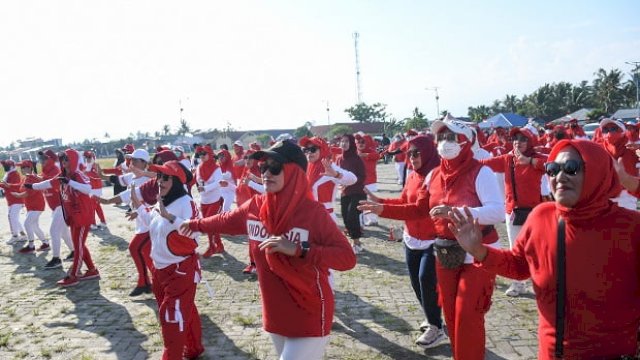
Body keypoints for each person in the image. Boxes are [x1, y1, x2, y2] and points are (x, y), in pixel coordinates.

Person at [448, 139, 640, 359]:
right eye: (552, 169)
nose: (559, 177)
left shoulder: (632, 228)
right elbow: (519, 266)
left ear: (598, 171)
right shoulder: (541, 217)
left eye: (571, 168)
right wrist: (478, 250)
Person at [180, 140, 357, 360]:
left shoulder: (312, 213)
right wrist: (194, 224)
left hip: (309, 311)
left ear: (293, 172)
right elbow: (225, 220)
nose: (265, 173)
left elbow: (347, 258)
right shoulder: (256, 206)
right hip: (275, 313)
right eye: (263, 167)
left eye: (275, 167)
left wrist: (299, 249)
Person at [357, 135, 447, 349]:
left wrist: (383, 210)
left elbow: (419, 209)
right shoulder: (413, 175)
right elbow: (404, 201)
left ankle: (436, 327)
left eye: (416, 153)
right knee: (417, 283)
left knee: (427, 280)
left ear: (427, 152)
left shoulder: (435, 175)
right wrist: (378, 201)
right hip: (411, 238)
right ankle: (432, 318)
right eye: (409, 153)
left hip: (431, 238)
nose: (412, 157)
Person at [428, 119, 504, 360]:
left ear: (466, 141)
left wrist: (456, 212)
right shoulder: (434, 175)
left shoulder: (482, 171)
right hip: (447, 253)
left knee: (467, 314)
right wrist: (382, 208)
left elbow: (497, 211)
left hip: (478, 252)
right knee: (451, 314)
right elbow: (418, 207)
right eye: (441, 138)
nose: (444, 143)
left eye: (451, 137)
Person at [131, 160, 204, 359]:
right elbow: (151, 224)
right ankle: (194, 348)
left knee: (171, 319)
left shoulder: (186, 203)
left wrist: (171, 217)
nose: (159, 181)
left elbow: (194, 232)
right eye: (159, 177)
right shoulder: (161, 201)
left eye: (165, 177)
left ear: (177, 181)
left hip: (180, 270)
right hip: (160, 270)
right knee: (184, 311)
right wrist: (138, 207)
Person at [479, 127, 548, 297]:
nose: (518, 142)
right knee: (515, 249)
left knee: (538, 249)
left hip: (535, 212)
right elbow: (483, 164)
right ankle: (518, 284)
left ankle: (541, 281)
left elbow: (552, 166)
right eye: (515, 138)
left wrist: (528, 161)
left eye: (523, 139)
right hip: (513, 212)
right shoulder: (507, 159)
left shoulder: (537, 158)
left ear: (531, 141)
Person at [29, 150, 99, 287]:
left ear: (72, 160)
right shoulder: (63, 175)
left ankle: (73, 275)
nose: (64, 162)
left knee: (78, 247)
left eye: (66, 159)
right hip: (74, 216)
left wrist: (70, 182)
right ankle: (92, 270)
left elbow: (88, 188)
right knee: (79, 245)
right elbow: (49, 182)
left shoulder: (77, 174)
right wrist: (32, 186)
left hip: (83, 215)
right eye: (62, 159)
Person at [32, 149, 73, 269]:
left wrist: (38, 179)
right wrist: (36, 177)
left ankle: (56, 259)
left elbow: (50, 182)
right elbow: (44, 179)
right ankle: (74, 251)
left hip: (62, 205)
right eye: (40, 159)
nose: (41, 161)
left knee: (54, 231)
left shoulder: (56, 170)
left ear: (50, 159)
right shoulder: (47, 171)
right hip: (56, 207)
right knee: (64, 232)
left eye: (44, 158)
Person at [335, 134, 367, 253]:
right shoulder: (338, 158)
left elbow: (363, 176)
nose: (344, 144)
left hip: (357, 192)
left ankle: (356, 242)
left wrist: (350, 182)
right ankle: (353, 239)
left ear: (352, 144)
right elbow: (337, 175)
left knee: (352, 216)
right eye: (342, 141)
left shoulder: (357, 158)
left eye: (346, 141)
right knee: (345, 217)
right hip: (344, 193)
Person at [599, 118, 639, 210]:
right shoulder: (600, 150)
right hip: (607, 195)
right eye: (605, 129)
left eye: (613, 128)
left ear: (622, 131)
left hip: (628, 194)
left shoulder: (632, 148)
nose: (609, 133)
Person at [9, 160, 49, 253]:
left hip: (37, 206)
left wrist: (18, 195)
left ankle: (31, 246)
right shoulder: (26, 178)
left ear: (29, 168)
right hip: (31, 206)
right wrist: (7, 185)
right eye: (21, 167)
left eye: (23, 167)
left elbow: (29, 192)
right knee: (34, 226)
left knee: (27, 224)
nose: (21, 169)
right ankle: (45, 243)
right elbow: (20, 185)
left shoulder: (32, 178)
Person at [194, 144, 226, 257]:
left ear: (210, 154)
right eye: (200, 154)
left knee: (208, 225)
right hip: (204, 200)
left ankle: (212, 247)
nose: (201, 156)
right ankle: (219, 245)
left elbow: (218, 182)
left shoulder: (216, 168)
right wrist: (201, 187)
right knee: (212, 225)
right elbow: (198, 180)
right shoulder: (199, 167)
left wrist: (205, 188)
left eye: (204, 154)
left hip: (214, 200)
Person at [0, 160, 26, 243]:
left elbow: (14, 186)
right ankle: (23, 235)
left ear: (11, 166)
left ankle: (15, 236)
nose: (4, 168)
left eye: (6, 166)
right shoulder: (9, 174)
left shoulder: (14, 174)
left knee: (12, 217)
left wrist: (3, 185)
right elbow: (6, 185)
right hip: (12, 200)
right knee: (14, 218)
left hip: (16, 199)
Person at [82, 150, 107, 230]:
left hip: (96, 189)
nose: (87, 159)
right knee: (97, 207)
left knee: (92, 207)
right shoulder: (86, 166)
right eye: (86, 157)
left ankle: (93, 224)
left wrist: (87, 174)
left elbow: (97, 176)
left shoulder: (95, 165)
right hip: (91, 189)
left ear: (93, 157)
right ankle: (103, 222)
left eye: (89, 157)